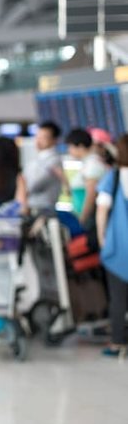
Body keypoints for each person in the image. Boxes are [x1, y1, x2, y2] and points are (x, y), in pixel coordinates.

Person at [96, 134, 128, 358]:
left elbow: (102, 210)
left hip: (119, 245)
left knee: (118, 298)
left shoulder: (113, 177)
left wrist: (101, 238)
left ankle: (118, 342)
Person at [66, 128, 108, 229]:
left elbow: (90, 195)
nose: (69, 150)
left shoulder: (92, 164)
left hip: (89, 219)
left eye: (70, 147)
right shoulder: (88, 163)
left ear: (80, 146)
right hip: (85, 217)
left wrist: (82, 219)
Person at [23, 121, 67, 216]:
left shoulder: (54, 161)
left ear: (54, 140)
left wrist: (21, 186)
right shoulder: (37, 158)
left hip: (44, 210)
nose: (38, 140)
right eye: (37, 136)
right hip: (33, 208)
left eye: (44, 137)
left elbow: (33, 185)